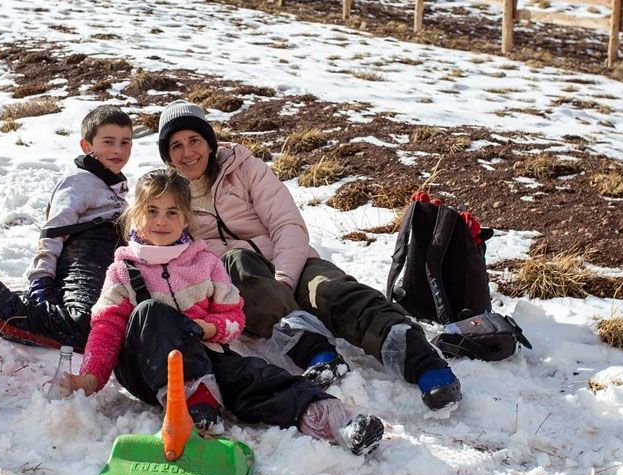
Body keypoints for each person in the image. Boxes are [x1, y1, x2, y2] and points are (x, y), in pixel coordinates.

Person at [157, 100, 462, 411]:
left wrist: (285, 279)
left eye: (194, 140)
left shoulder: (245, 169)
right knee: (236, 262)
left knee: (333, 290)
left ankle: (421, 359)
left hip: (289, 261)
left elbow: (287, 224)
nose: (187, 152)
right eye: (176, 145)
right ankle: (318, 355)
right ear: (167, 155)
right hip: (244, 284)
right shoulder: (168, 198)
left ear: (209, 142)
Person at [62, 169, 384, 456]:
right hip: (147, 368)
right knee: (151, 312)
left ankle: (332, 419)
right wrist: (92, 376)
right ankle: (196, 402)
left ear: (186, 219)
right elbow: (107, 327)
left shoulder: (206, 264)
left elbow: (234, 317)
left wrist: (210, 329)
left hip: (203, 356)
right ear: (135, 216)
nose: (161, 220)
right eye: (152, 211)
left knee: (253, 374)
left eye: (172, 212)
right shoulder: (124, 269)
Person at [0, 106, 132, 350]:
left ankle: (39, 305)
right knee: (85, 328)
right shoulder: (78, 183)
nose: (118, 150)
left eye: (125, 142)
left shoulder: (115, 189)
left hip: (106, 267)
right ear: (86, 146)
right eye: (108, 141)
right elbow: (52, 234)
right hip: (82, 261)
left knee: (114, 329)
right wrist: (41, 282)